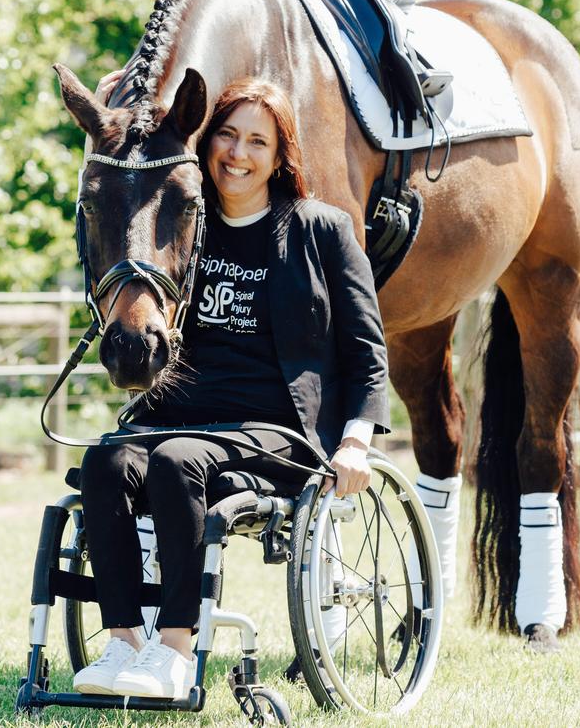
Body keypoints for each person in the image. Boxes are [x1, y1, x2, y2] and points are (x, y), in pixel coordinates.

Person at [73, 75, 390, 699]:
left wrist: (355, 442)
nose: (238, 154)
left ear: (280, 156)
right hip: (181, 414)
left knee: (174, 461)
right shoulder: (183, 225)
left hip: (274, 428)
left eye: (257, 141)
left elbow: (366, 352)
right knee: (105, 460)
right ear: (205, 142)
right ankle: (124, 645)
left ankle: (174, 649)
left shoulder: (320, 231)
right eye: (226, 135)